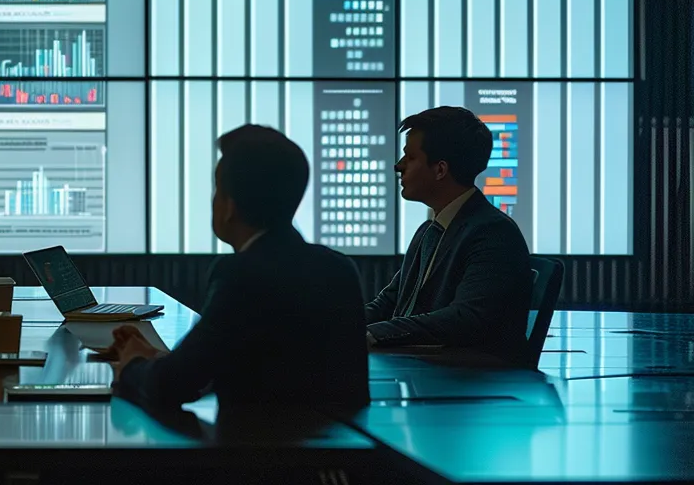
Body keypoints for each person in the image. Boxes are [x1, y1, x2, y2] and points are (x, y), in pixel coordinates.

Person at [105, 125, 368, 410]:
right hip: (340, 449)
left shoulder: (241, 274)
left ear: (229, 206)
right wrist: (159, 361)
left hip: (256, 452)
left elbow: (174, 384)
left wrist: (132, 364)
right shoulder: (339, 268)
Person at [365, 106, 532, 362]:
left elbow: (466, 319)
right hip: (424, 365)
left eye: (410, 157)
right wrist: (335, 325)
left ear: (440, 170)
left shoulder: (493, 233)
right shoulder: (430, 230)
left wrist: (371, 334)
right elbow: (388, 303)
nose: (398, 166)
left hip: (464, 382)